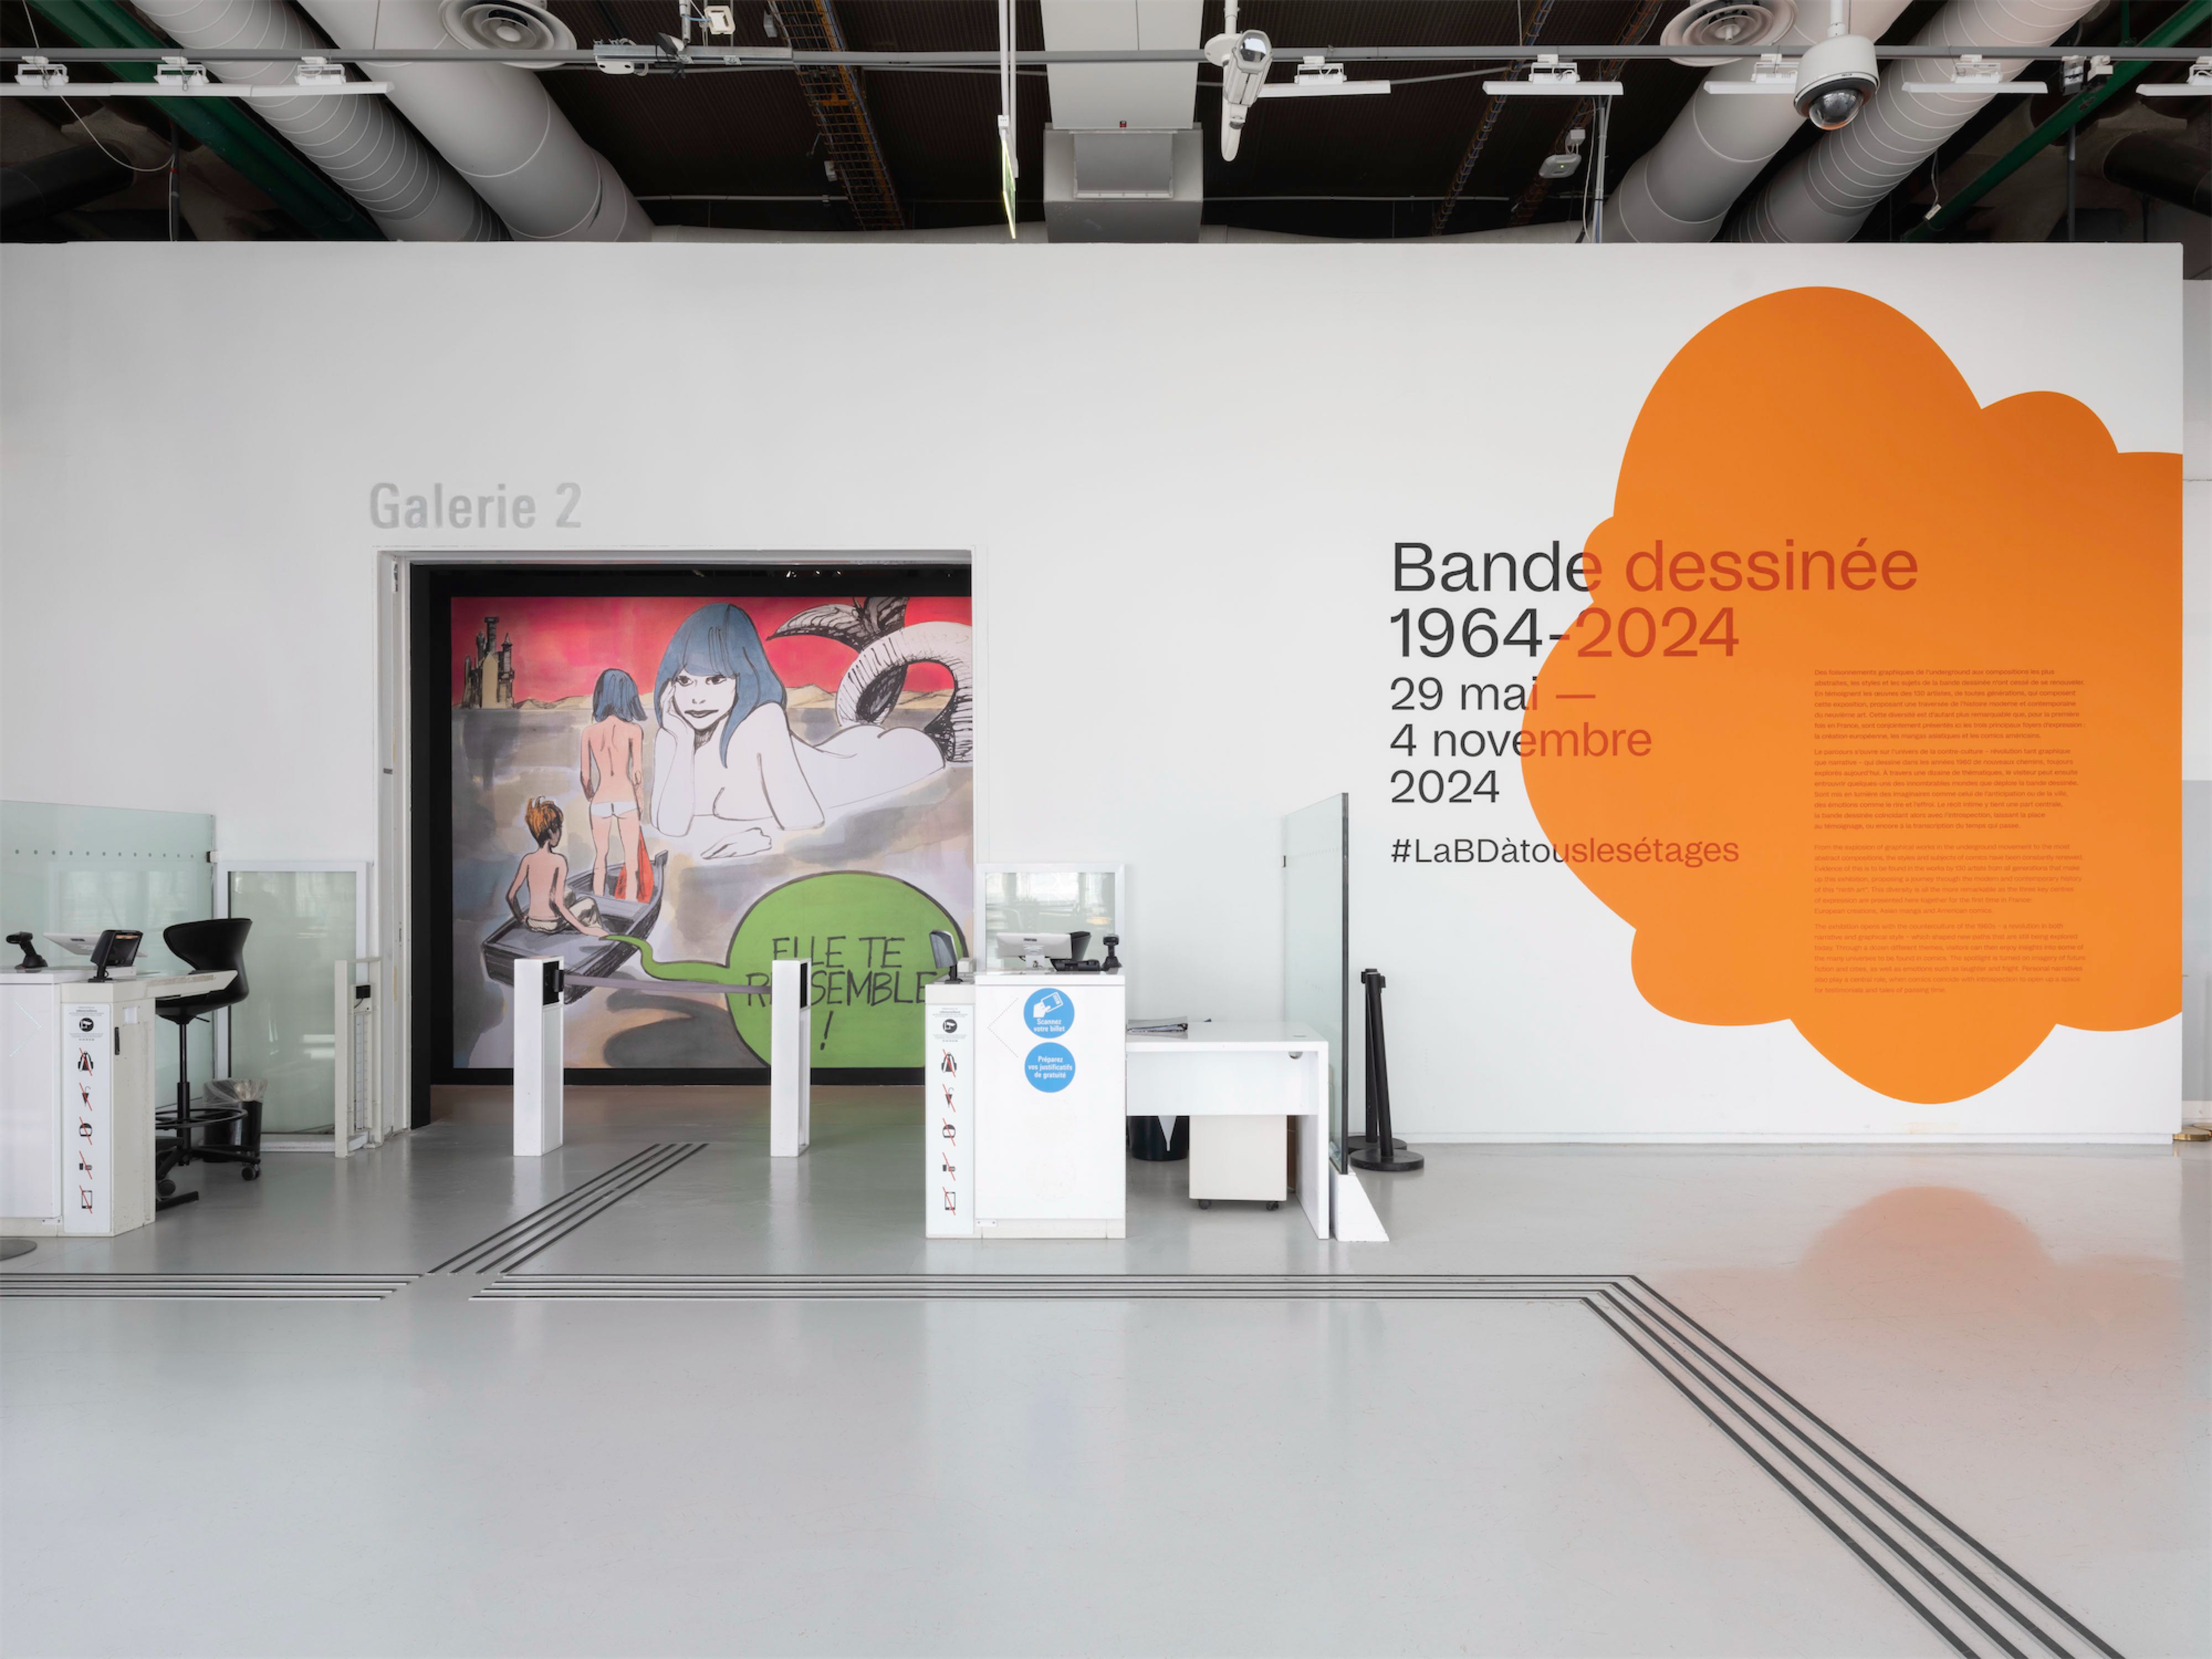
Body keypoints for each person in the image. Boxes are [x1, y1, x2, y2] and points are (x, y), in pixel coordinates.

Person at [650, 602, 942, 859]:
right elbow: (670, 827)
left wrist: (761, 840)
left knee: (915, 748)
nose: (697, 698)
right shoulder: (672, 735)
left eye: (715, 680)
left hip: (881, 761)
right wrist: (683, 741)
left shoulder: (763, 720)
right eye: (685, 681)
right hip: (844, 747)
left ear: (744, 675)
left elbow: (805, 821)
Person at [580, 668, 652, 900]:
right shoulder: (634, 731)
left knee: (600, 857)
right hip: (626, 797)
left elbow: (585, 777)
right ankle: (630, 904)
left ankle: (597, 902)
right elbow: (637, 774)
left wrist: (591, 796)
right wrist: (640, 803)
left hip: (601, 798)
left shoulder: (589, 732)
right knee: (631, 859)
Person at [505, 799, 606, 936]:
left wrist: (522, 918)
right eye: (559, 828)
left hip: (532, 922)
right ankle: (597, 934)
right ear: (552, 832)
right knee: (590, 903)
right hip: (553, 924)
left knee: (569, 894)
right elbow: (559, 904)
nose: (560, 833)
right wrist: (585, 929)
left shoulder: (527, 859)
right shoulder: (559, 861)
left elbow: (511, 896)